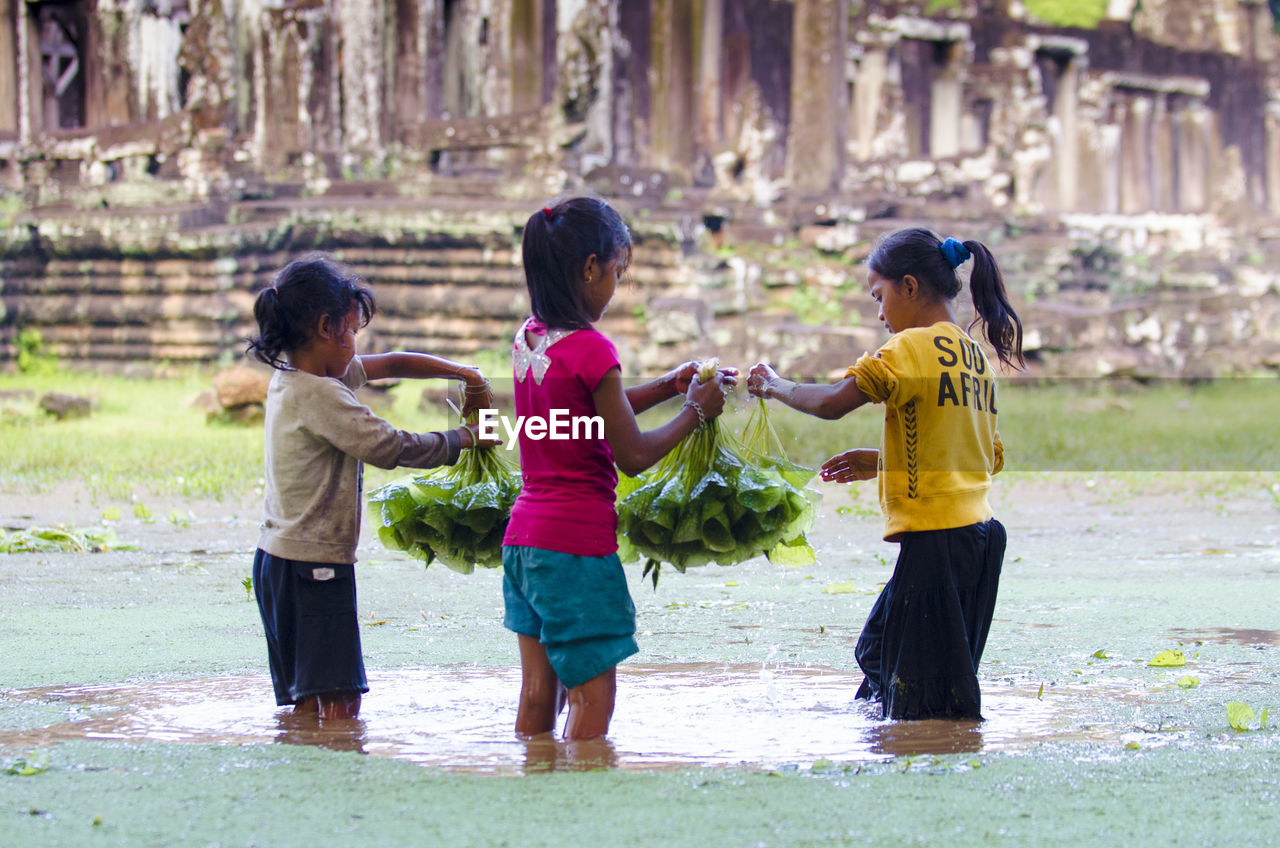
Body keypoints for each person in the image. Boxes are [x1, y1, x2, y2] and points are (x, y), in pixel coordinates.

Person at [747, 227, 1023, 720]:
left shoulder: (908, 348)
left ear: (910, 287)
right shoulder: (975, 358)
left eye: (880, 296)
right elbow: (984, 457)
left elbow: (833, 403)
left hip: (937, 542)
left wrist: (774, 385)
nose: (879, 313)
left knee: (923, 703)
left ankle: (926, 775)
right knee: (880, 659)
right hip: (979, 542)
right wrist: (883, 462)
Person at [502, 197, 735, 741]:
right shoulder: (592, 347)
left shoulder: (530, 337)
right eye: (617, 272)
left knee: (541, 690)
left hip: (524, 542)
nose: (615, 284)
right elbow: (631, 455)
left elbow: (586, 409)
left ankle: (532, 791)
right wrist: (696, 411)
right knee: (592, 696)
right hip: (575, 548)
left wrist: (664, 385)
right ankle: (583, 808)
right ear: (590, 268)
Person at [245, 253, 497, 721]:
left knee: (306, 700)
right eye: (351, 330)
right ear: (325, 328)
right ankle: (340, 781)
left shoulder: (298, 376)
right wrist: (465, 438)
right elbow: (388, 446)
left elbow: (392, 363)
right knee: (342, 701)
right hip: (313, 566)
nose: (354, 344)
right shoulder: (320, 393)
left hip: (276, 562)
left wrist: (463, 372)